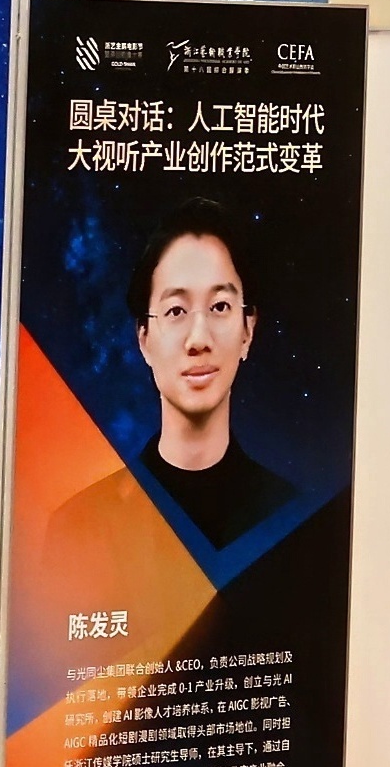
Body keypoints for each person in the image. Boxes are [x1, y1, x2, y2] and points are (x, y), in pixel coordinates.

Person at [67, 198, 293, 548]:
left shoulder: (293, 522)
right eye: (176, 310)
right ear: (144, 338)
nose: (199, 339)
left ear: (247, 331)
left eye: (220, 306)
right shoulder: (79, 526)